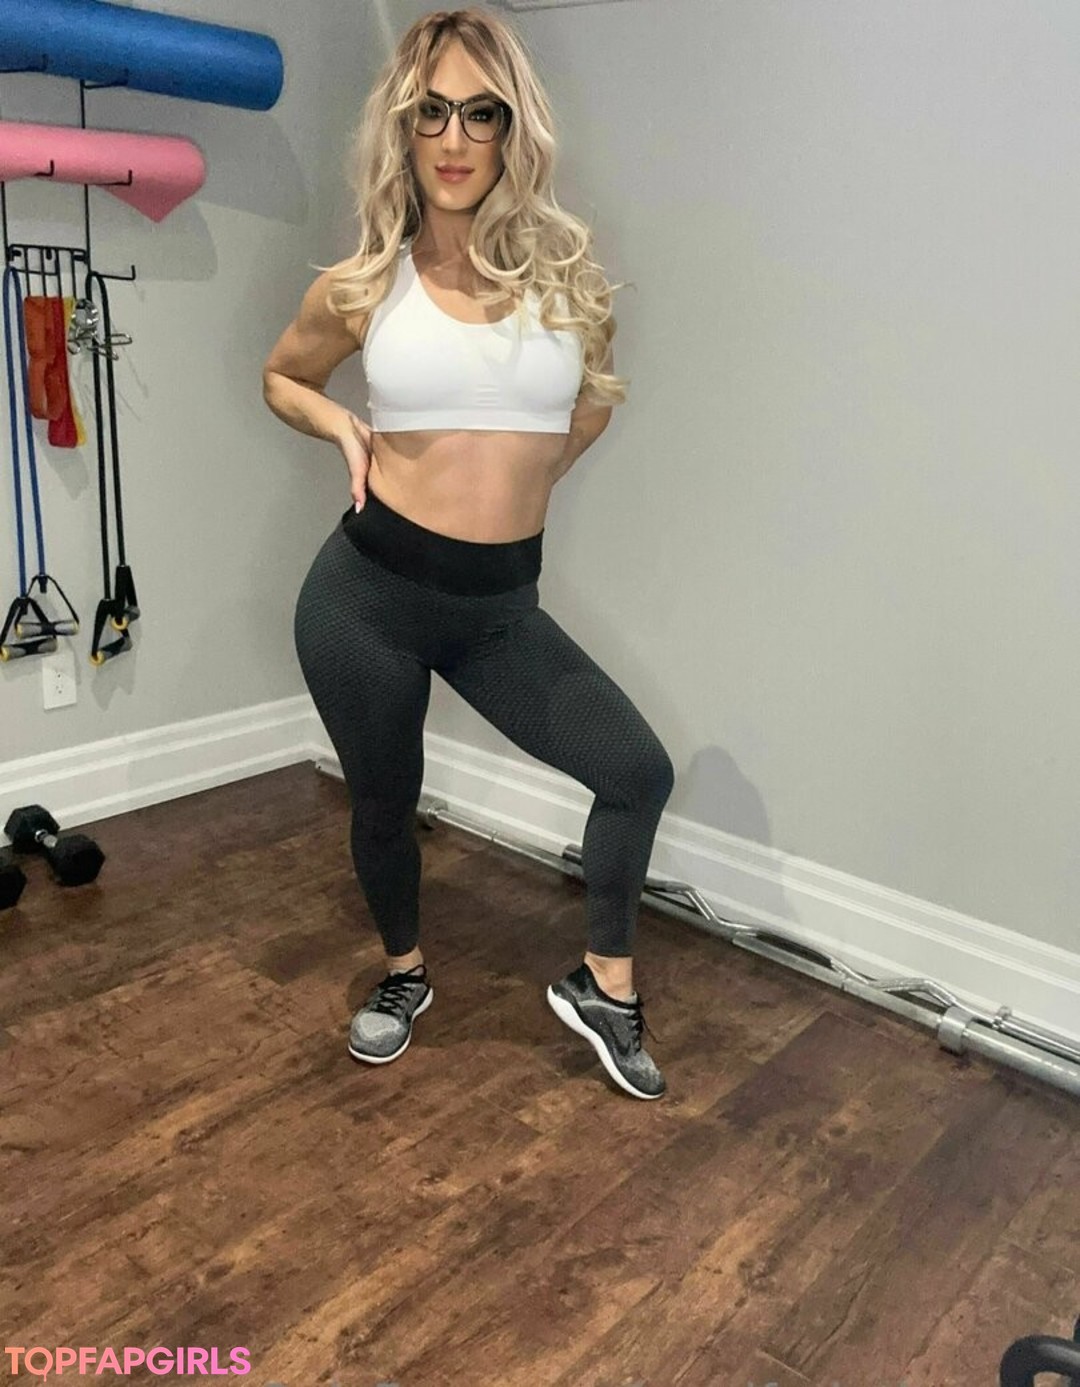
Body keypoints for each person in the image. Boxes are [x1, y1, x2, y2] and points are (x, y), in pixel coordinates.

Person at [262, 7, 674, 1101]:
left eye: (480, 113)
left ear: (512, 131)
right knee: (385, 800)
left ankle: (605, 987)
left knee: (636, 771)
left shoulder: (569, 284)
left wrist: (528, 481)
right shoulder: (365, 283)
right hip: (366, 598)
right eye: (431, 112)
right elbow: (283, 376)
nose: (453, 138)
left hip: (499, 611)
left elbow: (591, 404)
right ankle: (404, 972)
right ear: (403, 129)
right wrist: (344, 428)